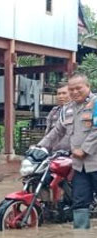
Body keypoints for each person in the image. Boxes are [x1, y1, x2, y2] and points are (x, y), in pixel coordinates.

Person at [40, 73, 97, 229]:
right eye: (71, 89)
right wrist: (40, 147)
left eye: (78, 88)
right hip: (79, 166)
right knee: (79, 203)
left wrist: (85, 150)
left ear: (88, 87)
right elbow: (57, 131)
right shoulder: (67, 109)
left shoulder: (96, 103)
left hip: (95, 162)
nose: (74, 92)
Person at [37, 83, 71, 151]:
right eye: (59, 94)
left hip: (67, 149)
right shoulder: (54, 110)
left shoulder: (74, 110)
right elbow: (48, 131)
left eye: (64, 93)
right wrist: (40, 146)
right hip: (51, 148)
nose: (61, 96)